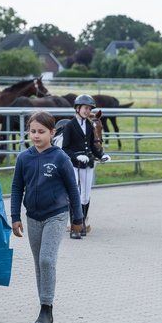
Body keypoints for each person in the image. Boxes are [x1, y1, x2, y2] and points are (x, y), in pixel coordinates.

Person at [10, 111, 83, 323]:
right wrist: (15, 216)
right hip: (32, 216)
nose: (36, 135)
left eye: (41, 132)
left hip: (56, 215)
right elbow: (16, 188)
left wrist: (77, 217)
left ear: (52, 133)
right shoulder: (24, 158)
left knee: (47, 260)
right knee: (38, 264)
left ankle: (46, 308)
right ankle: (44, 305)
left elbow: (73, 188)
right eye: (32, 131)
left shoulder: (60, 158)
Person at [58, 94, 110, 239]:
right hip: (74, 164)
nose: (87, 111)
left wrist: (101, 155)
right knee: (75, 194)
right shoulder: (69, 126)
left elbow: (92, 146)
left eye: (89, 109)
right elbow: (65, 148)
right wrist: (76, 156)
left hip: (88, 163)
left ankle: (82, 224)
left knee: (86, 196)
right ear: (77, 108)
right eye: (85, 108)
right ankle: (75, 227)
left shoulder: (89, 125)